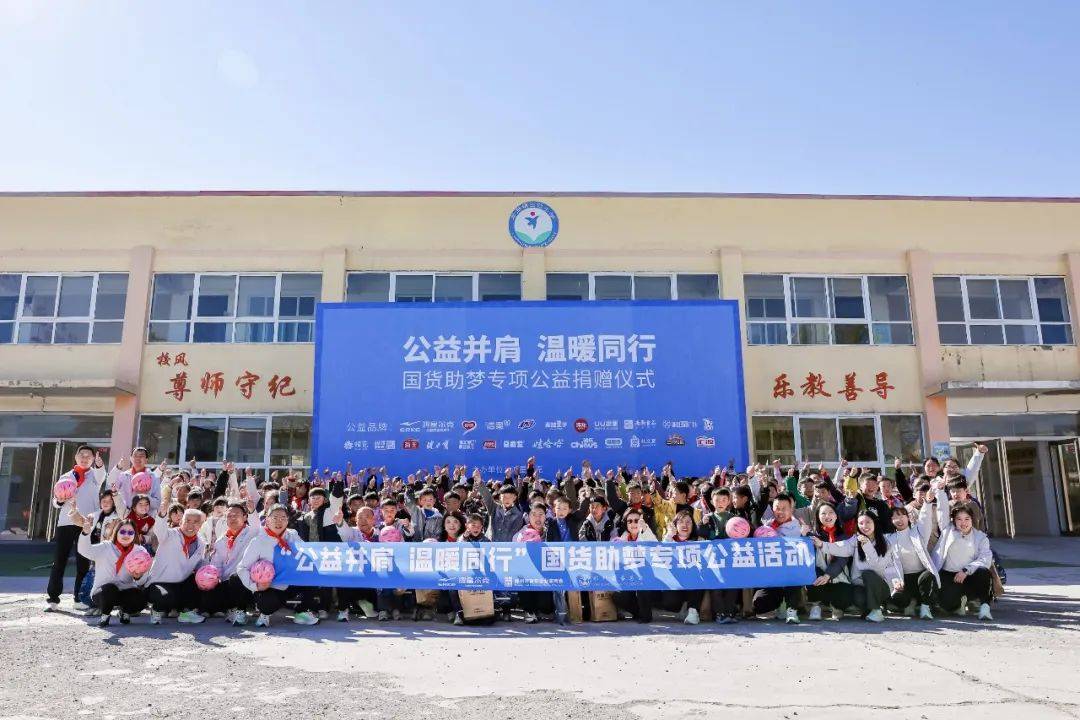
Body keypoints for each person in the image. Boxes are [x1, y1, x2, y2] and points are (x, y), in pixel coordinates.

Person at [237, 504, 319, 627]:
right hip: (269, 586)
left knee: (314, 575)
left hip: (289, 582)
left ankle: (301, 612)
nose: (278, 521)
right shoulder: (258, 541)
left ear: (287, 520)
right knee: (267, 604)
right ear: (267, 519)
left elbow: (306, 553)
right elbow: (242, 568)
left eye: (283, 518)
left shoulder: (293, 535)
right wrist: (256, 586)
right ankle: (263, 613)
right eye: (275, 517)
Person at [46, 444, 106, 612]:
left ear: (93, 459)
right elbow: (56, 501)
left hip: (86, 524)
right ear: (76, 457)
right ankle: (53, 599)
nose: (85, 458)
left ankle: (79, 598)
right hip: (66, 522)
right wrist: (59, 500)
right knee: (59, 561)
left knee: (83, 563)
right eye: (82, 455)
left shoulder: (95, 475)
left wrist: (100, 465)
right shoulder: (66, 476)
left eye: (89, 456)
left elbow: (102, 473)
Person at [931, 480, 994, 620]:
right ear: (954, 520)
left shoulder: (980, 537)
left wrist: (966, 570)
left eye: (967, 519)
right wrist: (940, 491)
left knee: (983, 572)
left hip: (969, 575)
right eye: (959, 519)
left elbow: (985, 559)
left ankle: (984, 606)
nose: (963, 523)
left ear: (972, 520)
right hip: (950, 576)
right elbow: (942, 511)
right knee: (947, 606)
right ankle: (959, 602)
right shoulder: (948, 530)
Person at [74, 511, 147, 626]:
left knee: (140, 597)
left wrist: (138, 577)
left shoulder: (139, 551)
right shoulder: (106, 546)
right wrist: (85, 533)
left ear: (135, 535)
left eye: (130, 532)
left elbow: (143, 579)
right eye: (122, 531)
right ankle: (105, 615)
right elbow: (85, 551)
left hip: (125, 590)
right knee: (110, 589)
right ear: (116, 532)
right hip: (103, 592)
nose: (126, 535)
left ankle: (125, 612)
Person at [823, 513, 897, 623]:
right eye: (861, 523)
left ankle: (877, 611)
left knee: (868, 573)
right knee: (857, 596)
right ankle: (869, 610)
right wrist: (822, 545)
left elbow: (877, 566)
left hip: (880, 586)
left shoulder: (885, 542)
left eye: (868, 522)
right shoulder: (855, 540)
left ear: (875, 523)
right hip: (860, 584)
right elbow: (841, 547)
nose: (864, 526)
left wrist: (867, 546)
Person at [145, 493, 207, 624]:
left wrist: (209, 573)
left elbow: (199, 564)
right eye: (187, 521)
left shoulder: (201, 543)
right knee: (166, 597)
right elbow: (160, 530)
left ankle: (186, 613)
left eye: (196, 522)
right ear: (181, 521)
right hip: (159, 583)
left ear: (201, 525)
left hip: (180, 584)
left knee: (198, 580)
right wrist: (162, 515)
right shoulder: (169, 535)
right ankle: (156, 610)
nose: (191, 525)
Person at [202, 499, 261, 626]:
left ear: (245, 517)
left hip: (247, 581)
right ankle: (229, 609)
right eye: (229, 516)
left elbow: (257, 525)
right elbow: (217, 565)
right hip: (227, 581)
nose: (232, 518)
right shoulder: (221, 540)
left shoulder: (251, 533)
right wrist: (213, 580)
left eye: (236, 515)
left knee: (236, 579)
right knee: (208, 590)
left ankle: (240, 610)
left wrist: (252, 511)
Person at [750, 493, 805, 624]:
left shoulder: (798, 528)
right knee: (759, 603)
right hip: (772, 575)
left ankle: (791, 610)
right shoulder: (767, 526)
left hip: (790, 573)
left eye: (784, 508)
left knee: (793, 581)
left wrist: (804, 535)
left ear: (791, 509)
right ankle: (780, 604)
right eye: (777, 508)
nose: (780, 512)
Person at [886, 502, 939, 620]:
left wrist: (928, 503)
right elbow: (888, 564)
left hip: (921, 577)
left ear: (908, 517)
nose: (899, 519)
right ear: (891, 520)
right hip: (904, 579)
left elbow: (925, 520)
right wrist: (895, 580)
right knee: (897, 597)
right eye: (895, 517)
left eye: (902, 515)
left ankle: (925, 606)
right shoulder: (889, 539)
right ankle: (911, 602)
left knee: (928, 576)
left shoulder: (917, 533)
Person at [805, 503, 854, 621]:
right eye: (823, 513)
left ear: (836, 516)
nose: (827, 516)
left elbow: (841, 560)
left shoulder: (844, 537)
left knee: (844, 597)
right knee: (813, 576)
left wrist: (828, 575)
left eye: (831, 512)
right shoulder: (813, 537)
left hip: (839, 578)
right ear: (818, 517)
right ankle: (816, 605)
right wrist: (803, 533)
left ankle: (836, 607)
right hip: (819, 577)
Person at [698, 487, 740, 623]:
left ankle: (730, 612)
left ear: (729, 501)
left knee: (732, 586)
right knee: (716, 587)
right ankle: (720, 613)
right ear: (712, 501)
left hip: (730, 558)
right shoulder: (708, 518)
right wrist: (703, 525)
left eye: (724, 500)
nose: (720, 503)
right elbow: (701, 534)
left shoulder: (734, 518)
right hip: (713, 559)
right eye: (717, 500)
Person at [660, 510, 705, 625]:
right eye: (681, 522)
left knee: (698, 579)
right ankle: (683, 607)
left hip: (693, 583)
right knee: (670, 604)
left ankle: (693, 611)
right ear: (675, 525)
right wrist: (669, 535)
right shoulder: (669, 539)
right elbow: (660, 554)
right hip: (674, 582)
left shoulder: (699, 541)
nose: (685, 525)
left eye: (688, 522)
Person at [613, 507, 657, 623]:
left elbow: (655, 545)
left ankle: (645, 616)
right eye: (630, 521)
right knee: (618, 596)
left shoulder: (645, 532)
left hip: (649, 579)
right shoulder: (623, 537)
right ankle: (638, 612)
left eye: (636, 521)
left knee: (642, 584)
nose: (633, 524)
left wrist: (645, 528)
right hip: (630, 578)